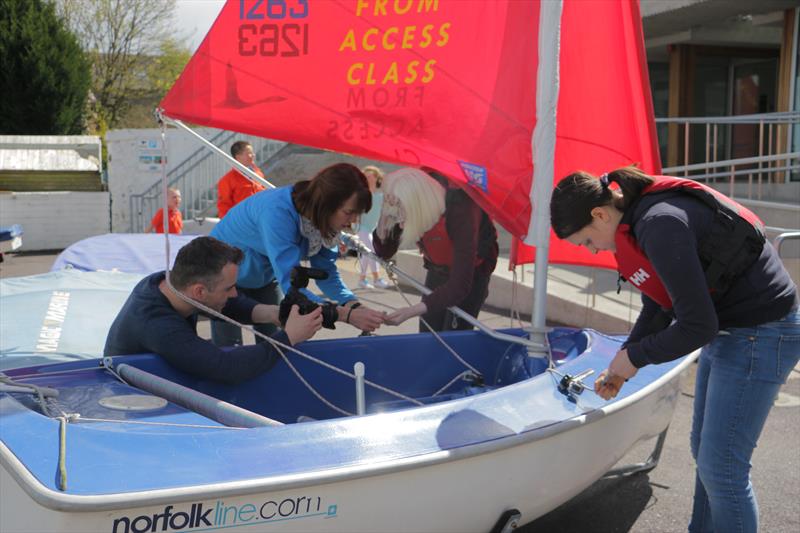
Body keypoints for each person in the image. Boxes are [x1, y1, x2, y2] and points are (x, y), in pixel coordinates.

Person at [549, 166, 799, 533]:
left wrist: (634, 357)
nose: (595, 250)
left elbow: (697, 325)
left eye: (587, 241)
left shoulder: (659, 223)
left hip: (760, 331)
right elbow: (660, 302)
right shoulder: (640, 219)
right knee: (707, 454)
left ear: (600, 214)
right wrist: (624, 362)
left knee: (723, 468)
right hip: (736, 327)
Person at [104, 236, 322, 385]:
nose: (235, 294)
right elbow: (226, 368)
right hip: (130, 400)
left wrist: (272, 314)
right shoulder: (157, 325)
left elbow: (225, 304)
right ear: (199, 291)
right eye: (229, 288)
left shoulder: (170, 282)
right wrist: (289, 338)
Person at [209, 162, 385, 347]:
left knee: (277, 346)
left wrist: (355, 306)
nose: (353, 221)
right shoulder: (277, 212)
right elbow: (293, 288)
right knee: (228, 349)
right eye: (349, 212)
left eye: (357, 214)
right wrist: (345, 315)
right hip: (222, 278)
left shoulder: (321, 219)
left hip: (265, 277)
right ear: (326, 203)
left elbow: (326, 274)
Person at [373, 167, 498, 331]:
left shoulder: (460, 207)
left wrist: (411, 311)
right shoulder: (406, 202)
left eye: (404, 217)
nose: (402, 225)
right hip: (437, 269)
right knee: (429, 334)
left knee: (454, 339)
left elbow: (460, 285)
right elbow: (384, 252)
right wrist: (386, 217)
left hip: (471, 273)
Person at [355, 165, 390, 289]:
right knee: (371, 251)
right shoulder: (362, 194)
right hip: (360, 227)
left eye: (369, 176)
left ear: (376, 178)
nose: (366, 178)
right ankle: (376, 278)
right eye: (365, 176)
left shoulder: (381, 196)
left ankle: (362, 279)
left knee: (366, 253)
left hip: (372, 228)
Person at [217, 141, 267, 218]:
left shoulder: (258, 174)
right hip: (242, 221)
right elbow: (224, 206)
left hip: (260, 218)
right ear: (238, 157)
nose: (253, 155)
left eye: (252, 153)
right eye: (249, 153)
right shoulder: (227, 180)